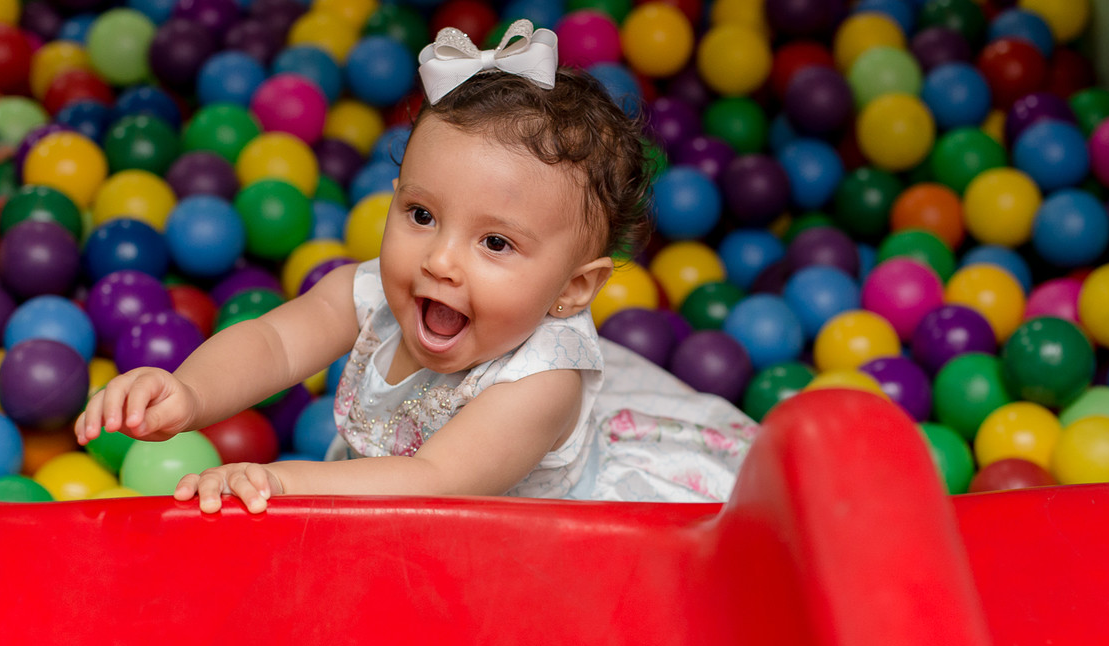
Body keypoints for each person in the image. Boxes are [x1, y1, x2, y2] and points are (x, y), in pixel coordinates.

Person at [75, 21, 757, 512]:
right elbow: (275, 341)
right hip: (375, 494)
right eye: (423, 216)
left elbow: (434, 478)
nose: (439, 260)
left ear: (573, 290)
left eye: (496, 244)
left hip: (525, 539)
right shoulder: (374, 289)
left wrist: (283, 483)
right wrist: (189, 393)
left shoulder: (540, 383)